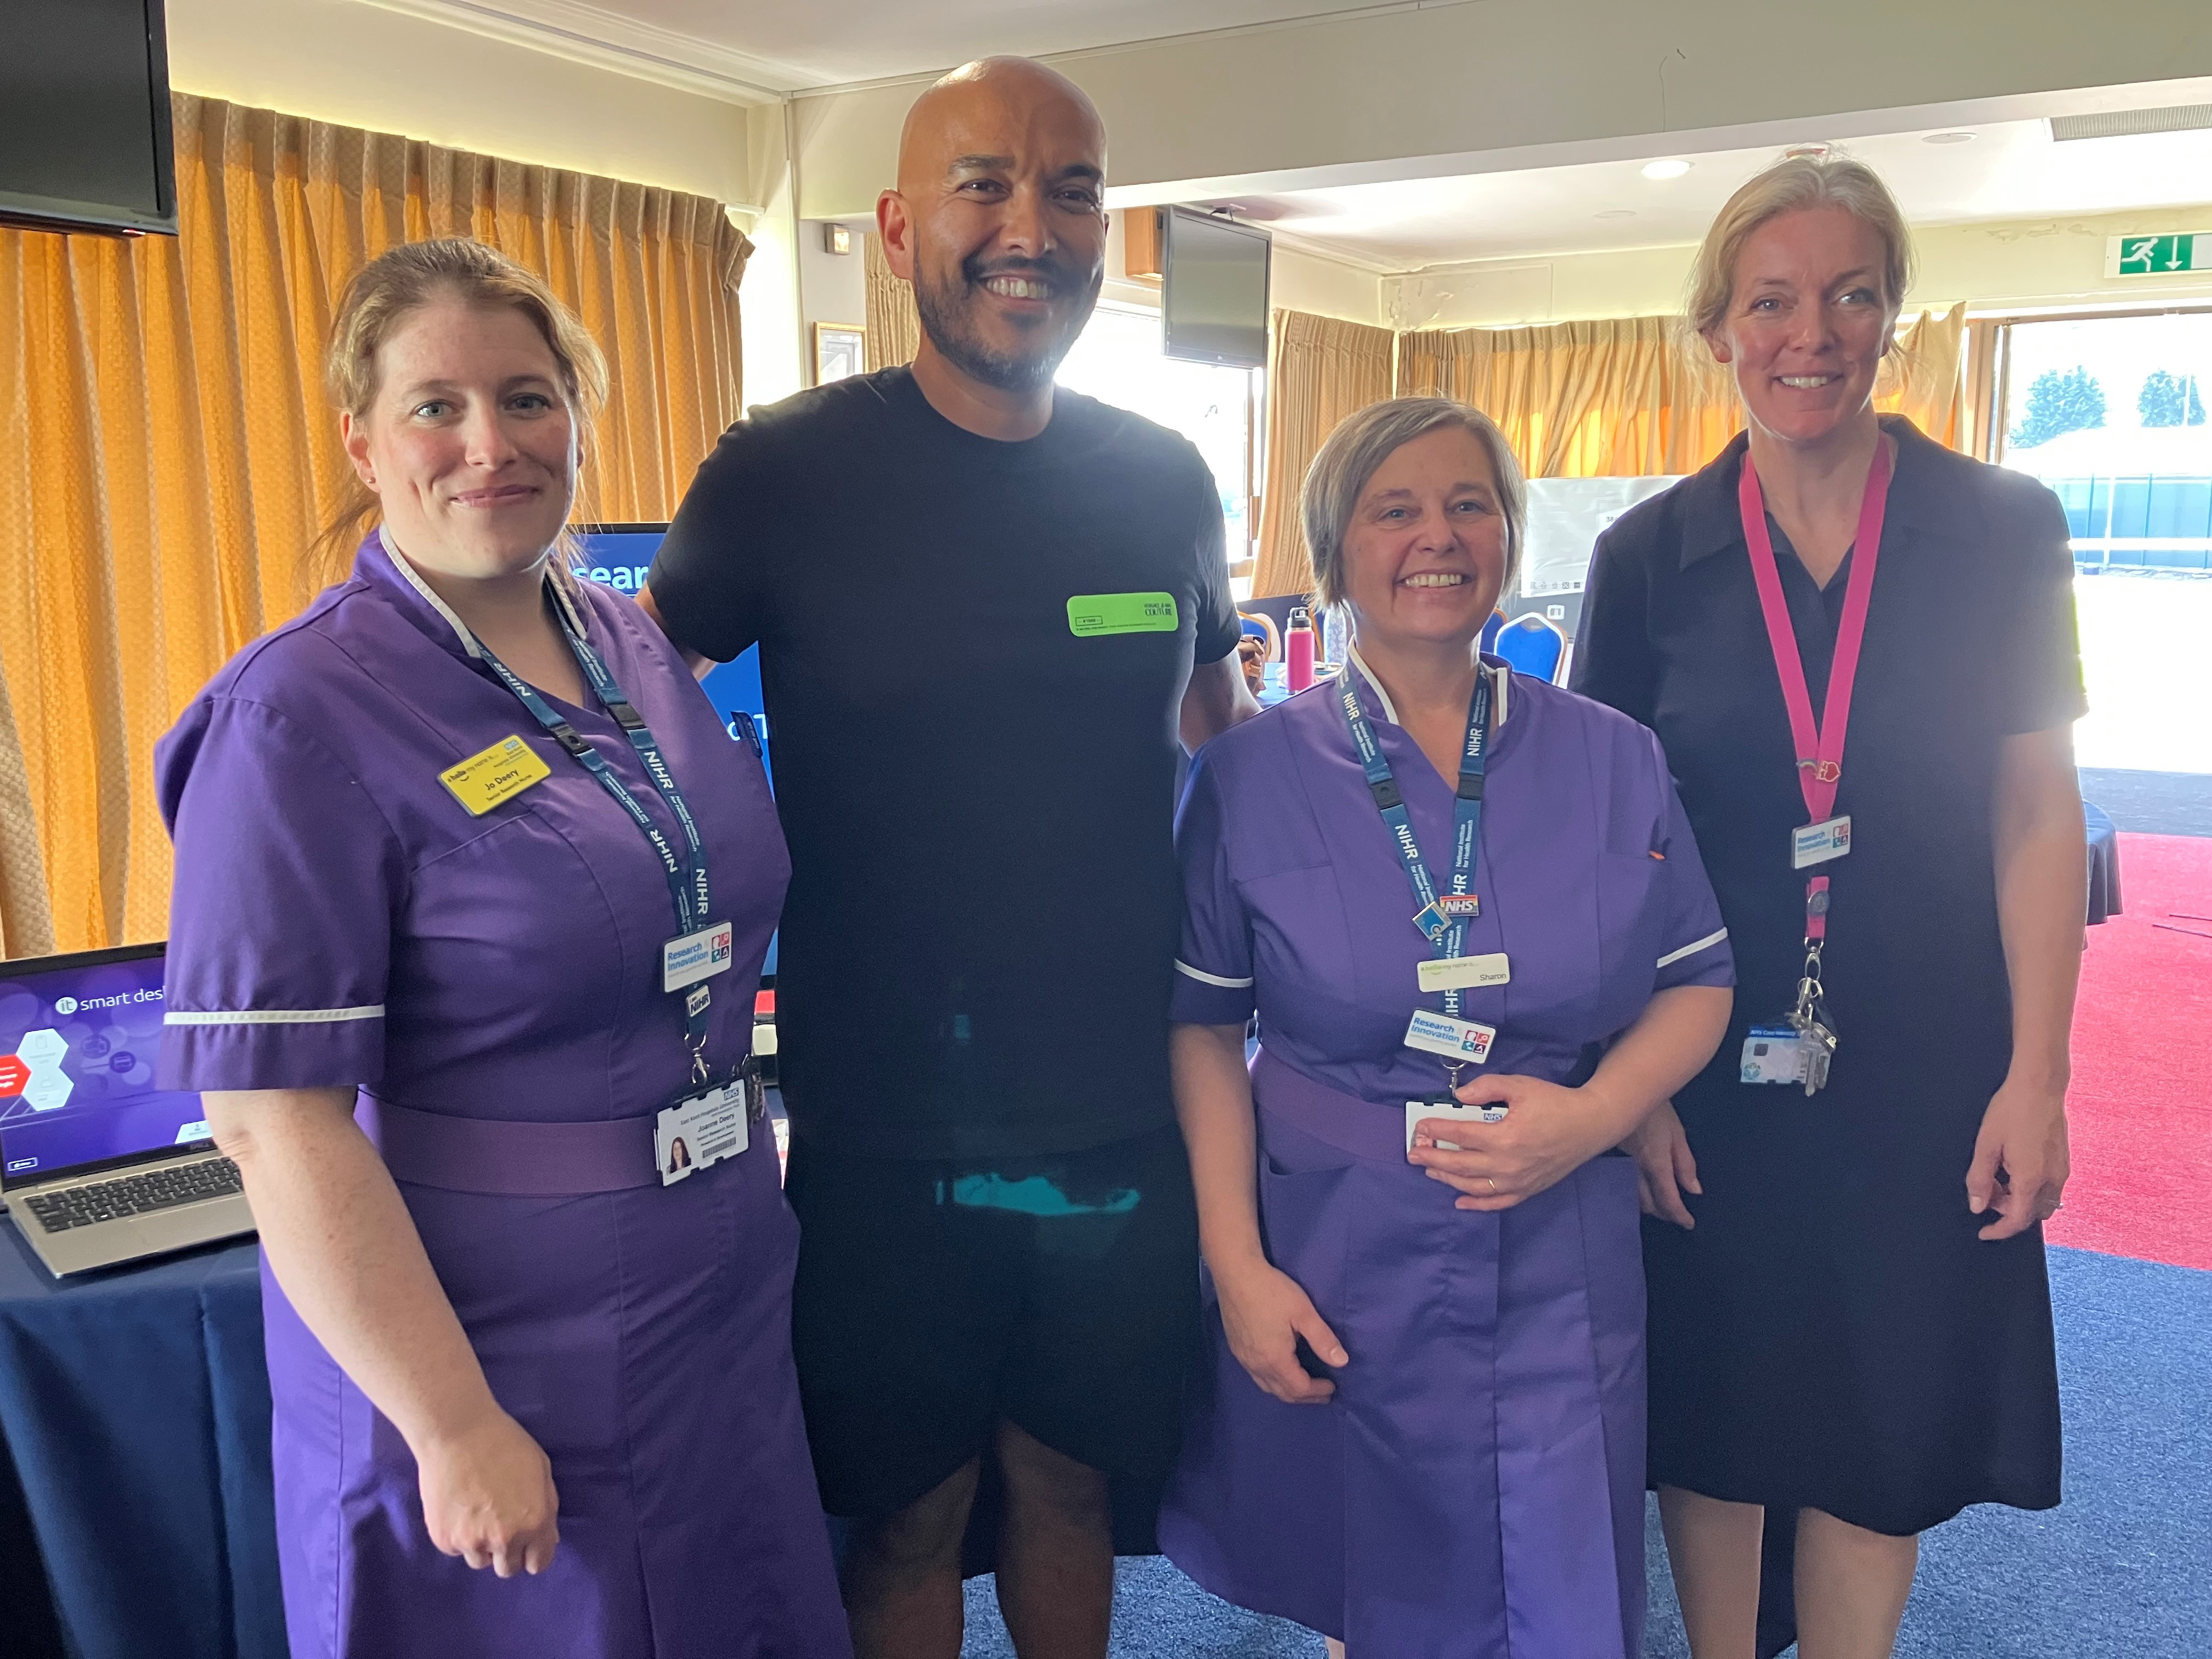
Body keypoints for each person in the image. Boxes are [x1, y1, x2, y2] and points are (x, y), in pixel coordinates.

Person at [637, 55, 1256, 1659]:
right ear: (905, 223)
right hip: (882, 1131)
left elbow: (1233, 741)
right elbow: (627, 722)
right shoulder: (781, 474)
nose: (1026, 227)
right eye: (985, 183)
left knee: (1070, 1491)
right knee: (905, 1514)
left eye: (1070, 190)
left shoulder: (1163, 480)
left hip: (1121, 1112)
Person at [155, 239, 848, 1659]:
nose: (491, 445)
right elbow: (272, 1123)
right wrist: (451, 1421)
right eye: (436, 408)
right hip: (484, 1332)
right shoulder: (294, 720)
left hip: (709, 1281)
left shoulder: (626, 643)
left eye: (530, 400)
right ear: (363, 440)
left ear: (580, 421)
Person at [1573, 155, 2085, 1658]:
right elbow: (1610, 840)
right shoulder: (1647, 555)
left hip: (1929, 1059)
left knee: (1887, 1399)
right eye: (1774, 300)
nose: (1815, 333)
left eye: (1852, 295)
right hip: (1703, 1063)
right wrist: (1629, 1092)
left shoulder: (2003, 524)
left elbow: (2037, 807)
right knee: (1717, 1403)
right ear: (1717, 328)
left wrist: (2038, 1076)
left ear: (1892, 318)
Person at [1159, 397, 1736, 1657]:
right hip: (1337, 1236)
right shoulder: (1250, 777)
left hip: (1558, 1232)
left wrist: (1597, 1115)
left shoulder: (1612, 757)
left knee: (1562, 1584)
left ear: (1511, 536)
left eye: (1470, 503)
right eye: (1396, 508)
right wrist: (1235, 1267)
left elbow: (1699, 980)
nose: (1439, 536)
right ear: (1337, 549)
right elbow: (1203, 1030)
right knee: (1376, 1586)